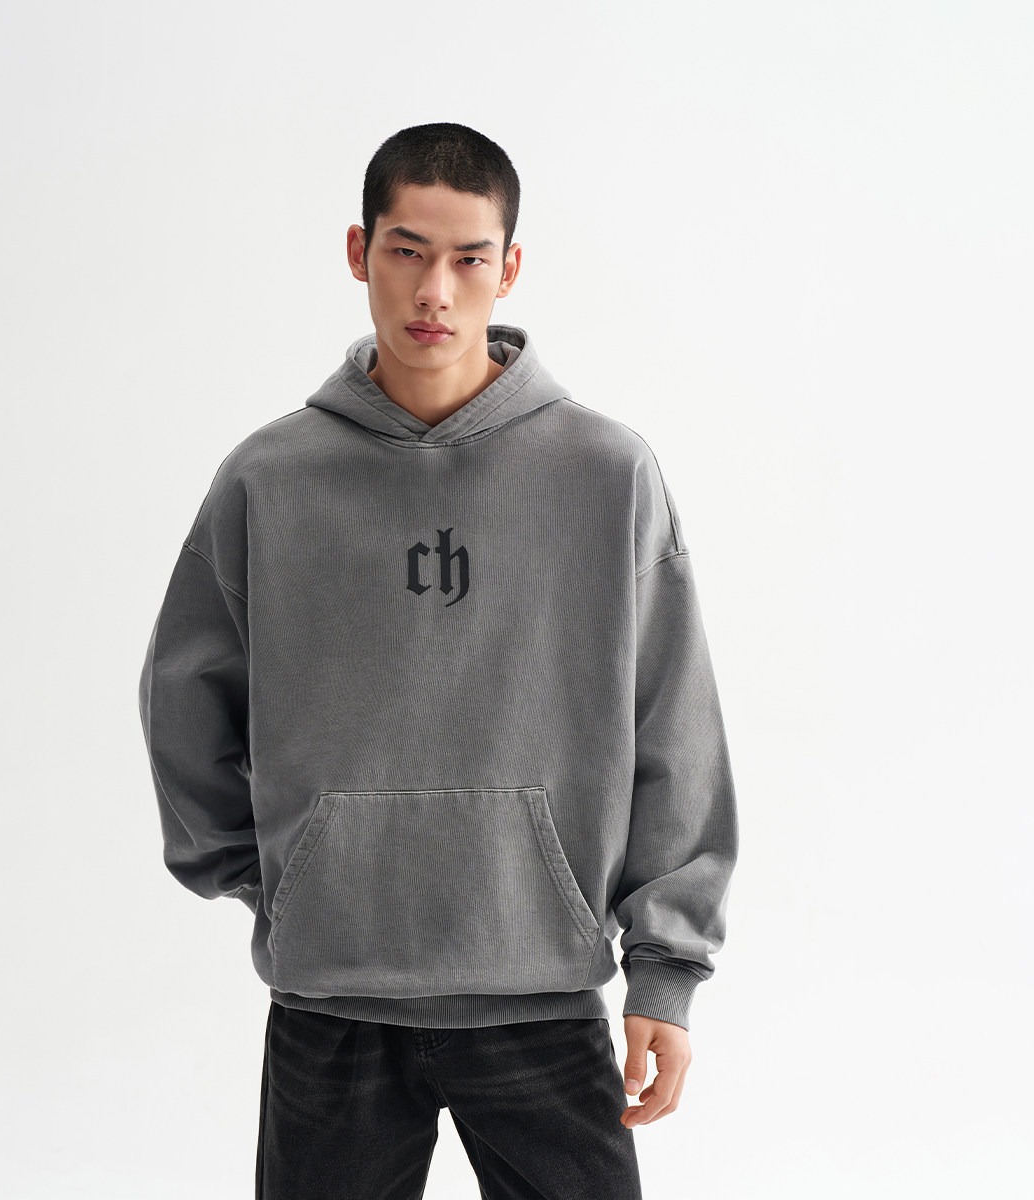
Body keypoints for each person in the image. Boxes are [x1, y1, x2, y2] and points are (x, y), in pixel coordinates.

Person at [138, 121, 740, 1200]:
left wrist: (667, 970)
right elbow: (183, 697)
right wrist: (283, 880)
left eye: (469, 259)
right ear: (359, 251)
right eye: (408, 251)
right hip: (332, 1002)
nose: (435, 291)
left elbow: (674, 724)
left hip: (542, 991)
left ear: (509, 269)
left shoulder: (606, 474)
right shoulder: (270, 478)